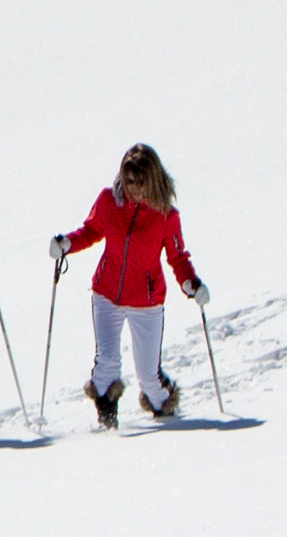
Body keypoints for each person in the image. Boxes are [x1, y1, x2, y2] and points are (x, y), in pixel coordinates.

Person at [54, 143, 206, 426]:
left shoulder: (166, 216)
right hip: (106, 294)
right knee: (106, 366)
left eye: (140, 182)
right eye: (129, 181)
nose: (134, 188)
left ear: (153, 178)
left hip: (146, 302)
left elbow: (177, 256)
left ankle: (165, 410)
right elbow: (92, 231)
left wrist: (190, 283)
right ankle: (108, 423)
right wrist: (67, 244)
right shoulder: (108, 201)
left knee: (148, 377)